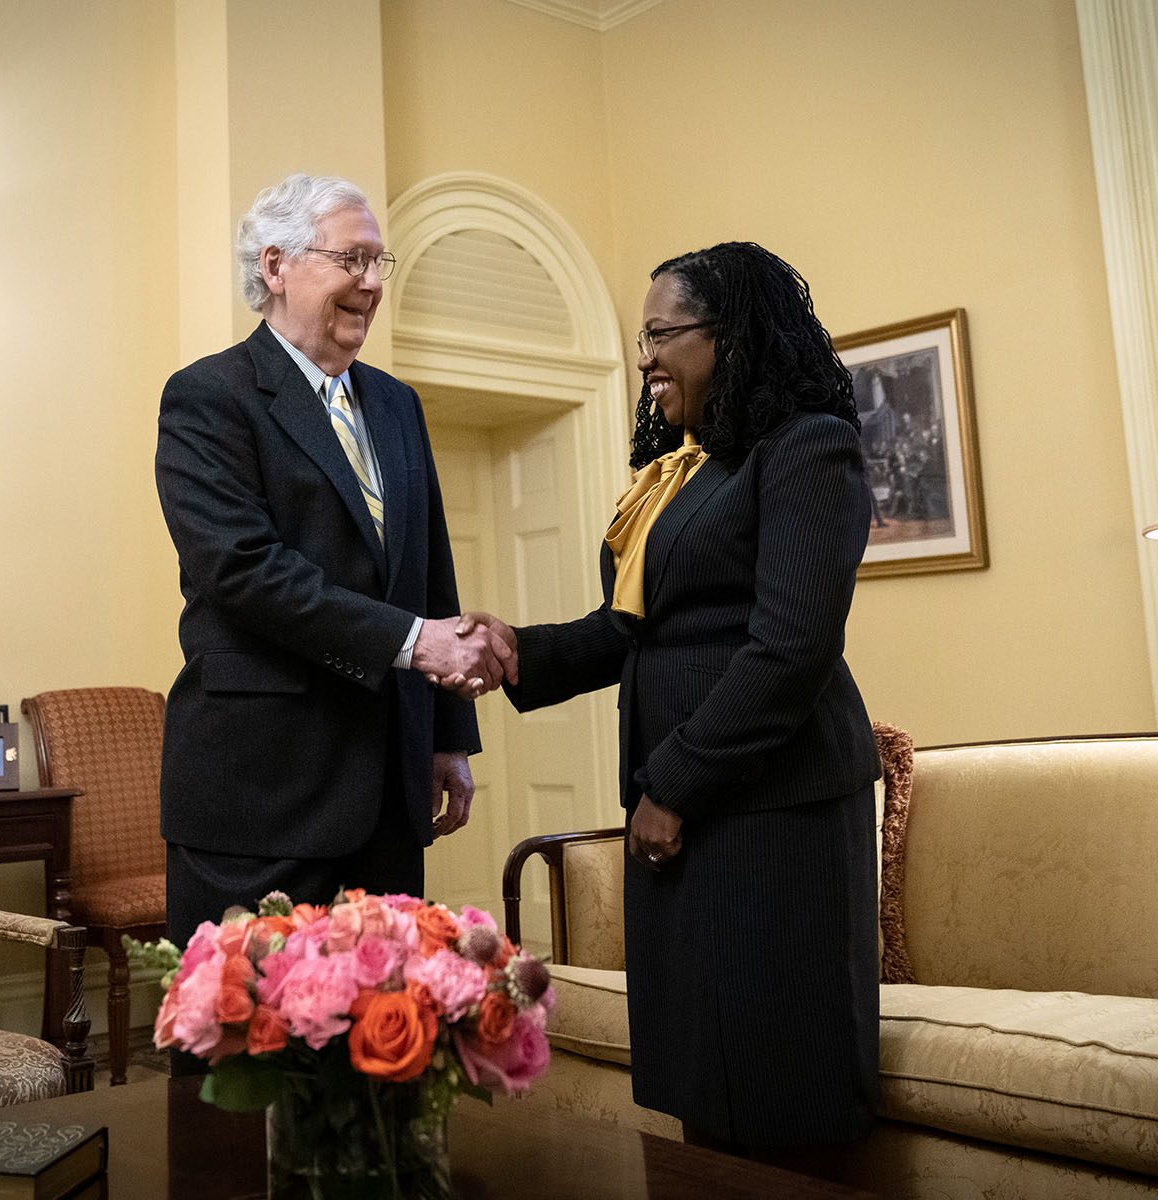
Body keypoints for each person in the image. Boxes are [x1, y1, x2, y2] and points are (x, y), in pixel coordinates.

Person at [470, 242, 881, 1167]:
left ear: (729, 336)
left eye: (661, 333)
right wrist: (514, 653)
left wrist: (675, 785)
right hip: (691, 809)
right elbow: (636, 631)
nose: (646, 356)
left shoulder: (808, 447)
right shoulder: (686, 471)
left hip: (770, 809)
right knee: (704, 1074)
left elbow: (791, 648)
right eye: (641, 336)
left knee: (778, 1079)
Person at [154, 173, 514, 961]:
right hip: (260, 797)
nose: (373, 284)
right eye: (353, 259)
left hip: (388, 788)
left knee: (383, 1051)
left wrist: (447, 734)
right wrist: (415, 643)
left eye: (382, 263)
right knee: (244, 1060)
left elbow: (430, 574)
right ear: (277, 265)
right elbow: (243, 570)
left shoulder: (396, 404)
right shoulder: (208, 397)